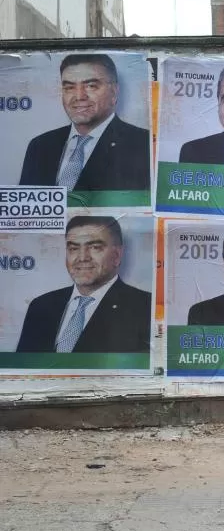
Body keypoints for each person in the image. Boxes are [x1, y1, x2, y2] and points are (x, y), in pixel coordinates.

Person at [16, 216, 150, 354]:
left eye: (95, 247)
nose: (82, 257)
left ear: (116, 255)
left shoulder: (145, 307)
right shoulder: (40, 306)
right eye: (73, 248)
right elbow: (22, 367)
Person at [19, 54, 151, 192]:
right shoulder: (40, 146)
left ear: (114, 92)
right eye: (69, 87)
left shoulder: (143, 144)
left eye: (91, 86)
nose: (79, 96)